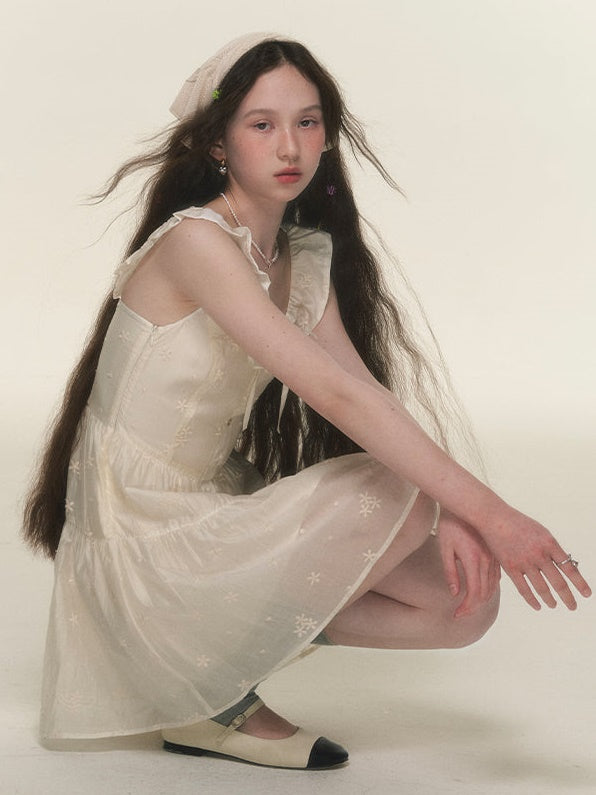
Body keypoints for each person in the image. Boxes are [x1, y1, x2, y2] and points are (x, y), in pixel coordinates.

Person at [23, 32, 591, 771]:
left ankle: (207, 659)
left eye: (308, 121)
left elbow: (363, 390)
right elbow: (332, 393)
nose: (290, 146)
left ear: (328, 134)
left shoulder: (300, 256)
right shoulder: (196, 242)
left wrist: (458, 512)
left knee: (463, 606)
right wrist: (494, 514)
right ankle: (208, 698)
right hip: (144, 530)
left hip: (209, 509)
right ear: (218, 143)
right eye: (262, 125)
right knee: (398, 488)